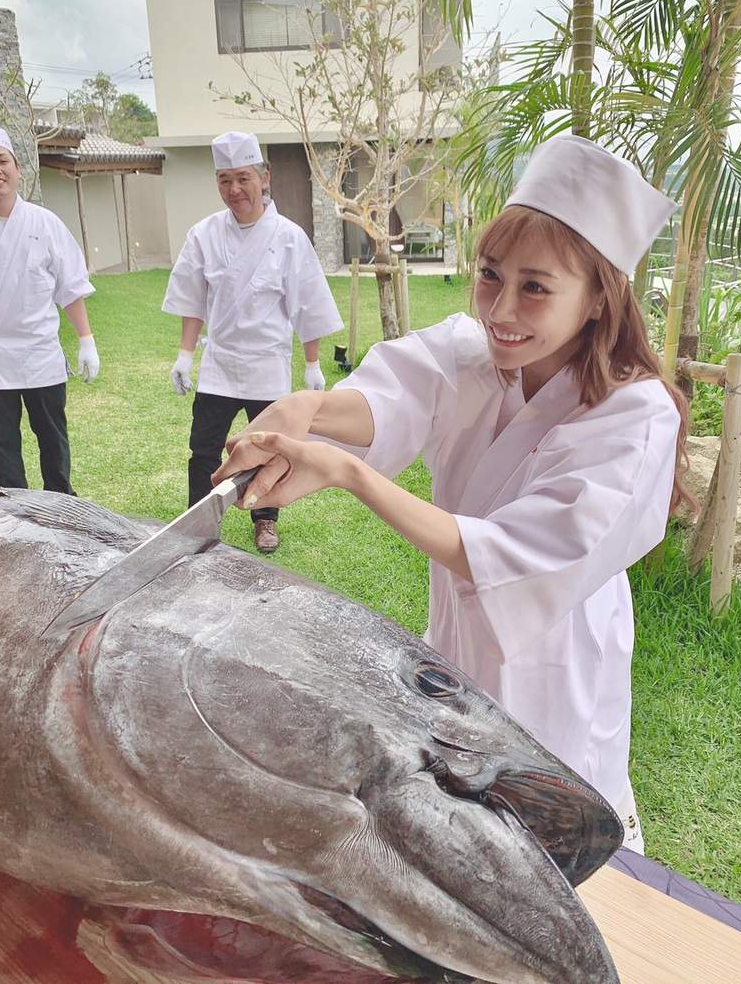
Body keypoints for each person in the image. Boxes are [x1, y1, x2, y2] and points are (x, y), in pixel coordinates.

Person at [214, 134, 692, 852]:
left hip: (559, 654)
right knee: (464, 819)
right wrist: (305, 410)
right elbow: (392, 397)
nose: (501, 307)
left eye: (535, 287)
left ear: (599, 298)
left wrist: (347, 471)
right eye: (490, 275)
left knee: (550, 830)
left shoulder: (634, 415)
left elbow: (514, 553)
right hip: (461, 642)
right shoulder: (474, 356)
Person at [162, 130, 343, 554]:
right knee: (203, 448)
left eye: (243, 177)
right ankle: (199, 520)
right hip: (220, 362)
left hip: (267, 364)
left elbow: (308, 304)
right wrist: (185, 356)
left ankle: (264, 518)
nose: (234, 189)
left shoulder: (288, 237)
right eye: (224, 179)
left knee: (266, 447)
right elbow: (193, 300)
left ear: (264, 177)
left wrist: (312, 364)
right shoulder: (203, 234)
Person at [0, 126, 99, 496]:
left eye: (2, 160)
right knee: (1, 448)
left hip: (39, 350)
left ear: (18, 168)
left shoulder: (45, 223)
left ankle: (62, 503)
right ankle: (12, 514)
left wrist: (86, 339)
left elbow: (71, 286)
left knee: (53, 438)